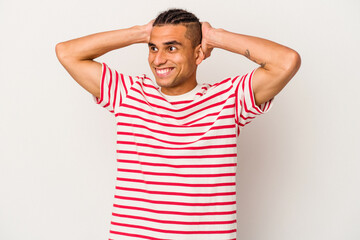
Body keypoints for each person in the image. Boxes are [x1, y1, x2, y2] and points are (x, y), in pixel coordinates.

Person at [56, 8, 300, 240]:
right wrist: (141, 32)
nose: (158, 60)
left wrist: (214, 36)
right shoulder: (128, 93)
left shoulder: (229, 99)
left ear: (197, 53)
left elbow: (286, 61)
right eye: (153, 48)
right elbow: (67, 52)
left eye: (171, 48)